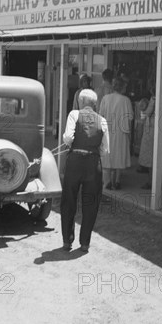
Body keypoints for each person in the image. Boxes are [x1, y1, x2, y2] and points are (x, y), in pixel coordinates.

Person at [60, 89, 109, 252]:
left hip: (75, 161)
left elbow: (68, 138)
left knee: (69, 200)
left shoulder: (74, 114)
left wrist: (72, 144)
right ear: (94, 104)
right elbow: (105, 149)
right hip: (93, 164)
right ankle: (85, 243)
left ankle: (67, 241)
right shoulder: (102, 120)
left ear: (81, 102)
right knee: (91, 203)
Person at [99, 77, 134, 190]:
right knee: (119, 155)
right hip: (121, 131)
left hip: (108, 130)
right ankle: (117, 181)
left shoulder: (106, 98)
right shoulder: (126, 100)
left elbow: (101, 115)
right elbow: (130, 118)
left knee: (107, 156)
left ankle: (107, 181)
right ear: (122, 87)